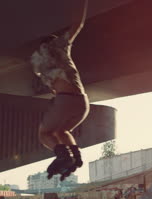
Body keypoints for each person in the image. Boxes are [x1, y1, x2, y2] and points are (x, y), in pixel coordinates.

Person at [30, 0, 90, 181]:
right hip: (83, 103)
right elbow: (78, 24)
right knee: (62, 131)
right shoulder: (63, 49)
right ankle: (75, 157)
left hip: (65, 101)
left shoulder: (42, 61)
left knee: (44, 133)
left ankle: (64, 157)